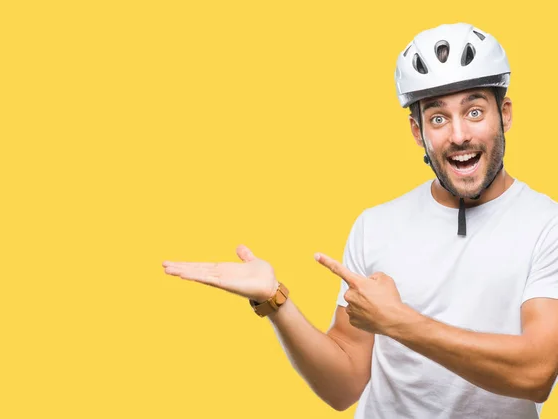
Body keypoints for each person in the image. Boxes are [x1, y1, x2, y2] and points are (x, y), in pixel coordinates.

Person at [162, 23, 558, 418]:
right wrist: (274, 302)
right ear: (418, 132)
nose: (458, 135)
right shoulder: (376, 226)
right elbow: (344, 385)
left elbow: (536, 372)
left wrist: (400, 323)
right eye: (438, 119)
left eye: (474, 112)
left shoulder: (547, 225)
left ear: (504, 115)